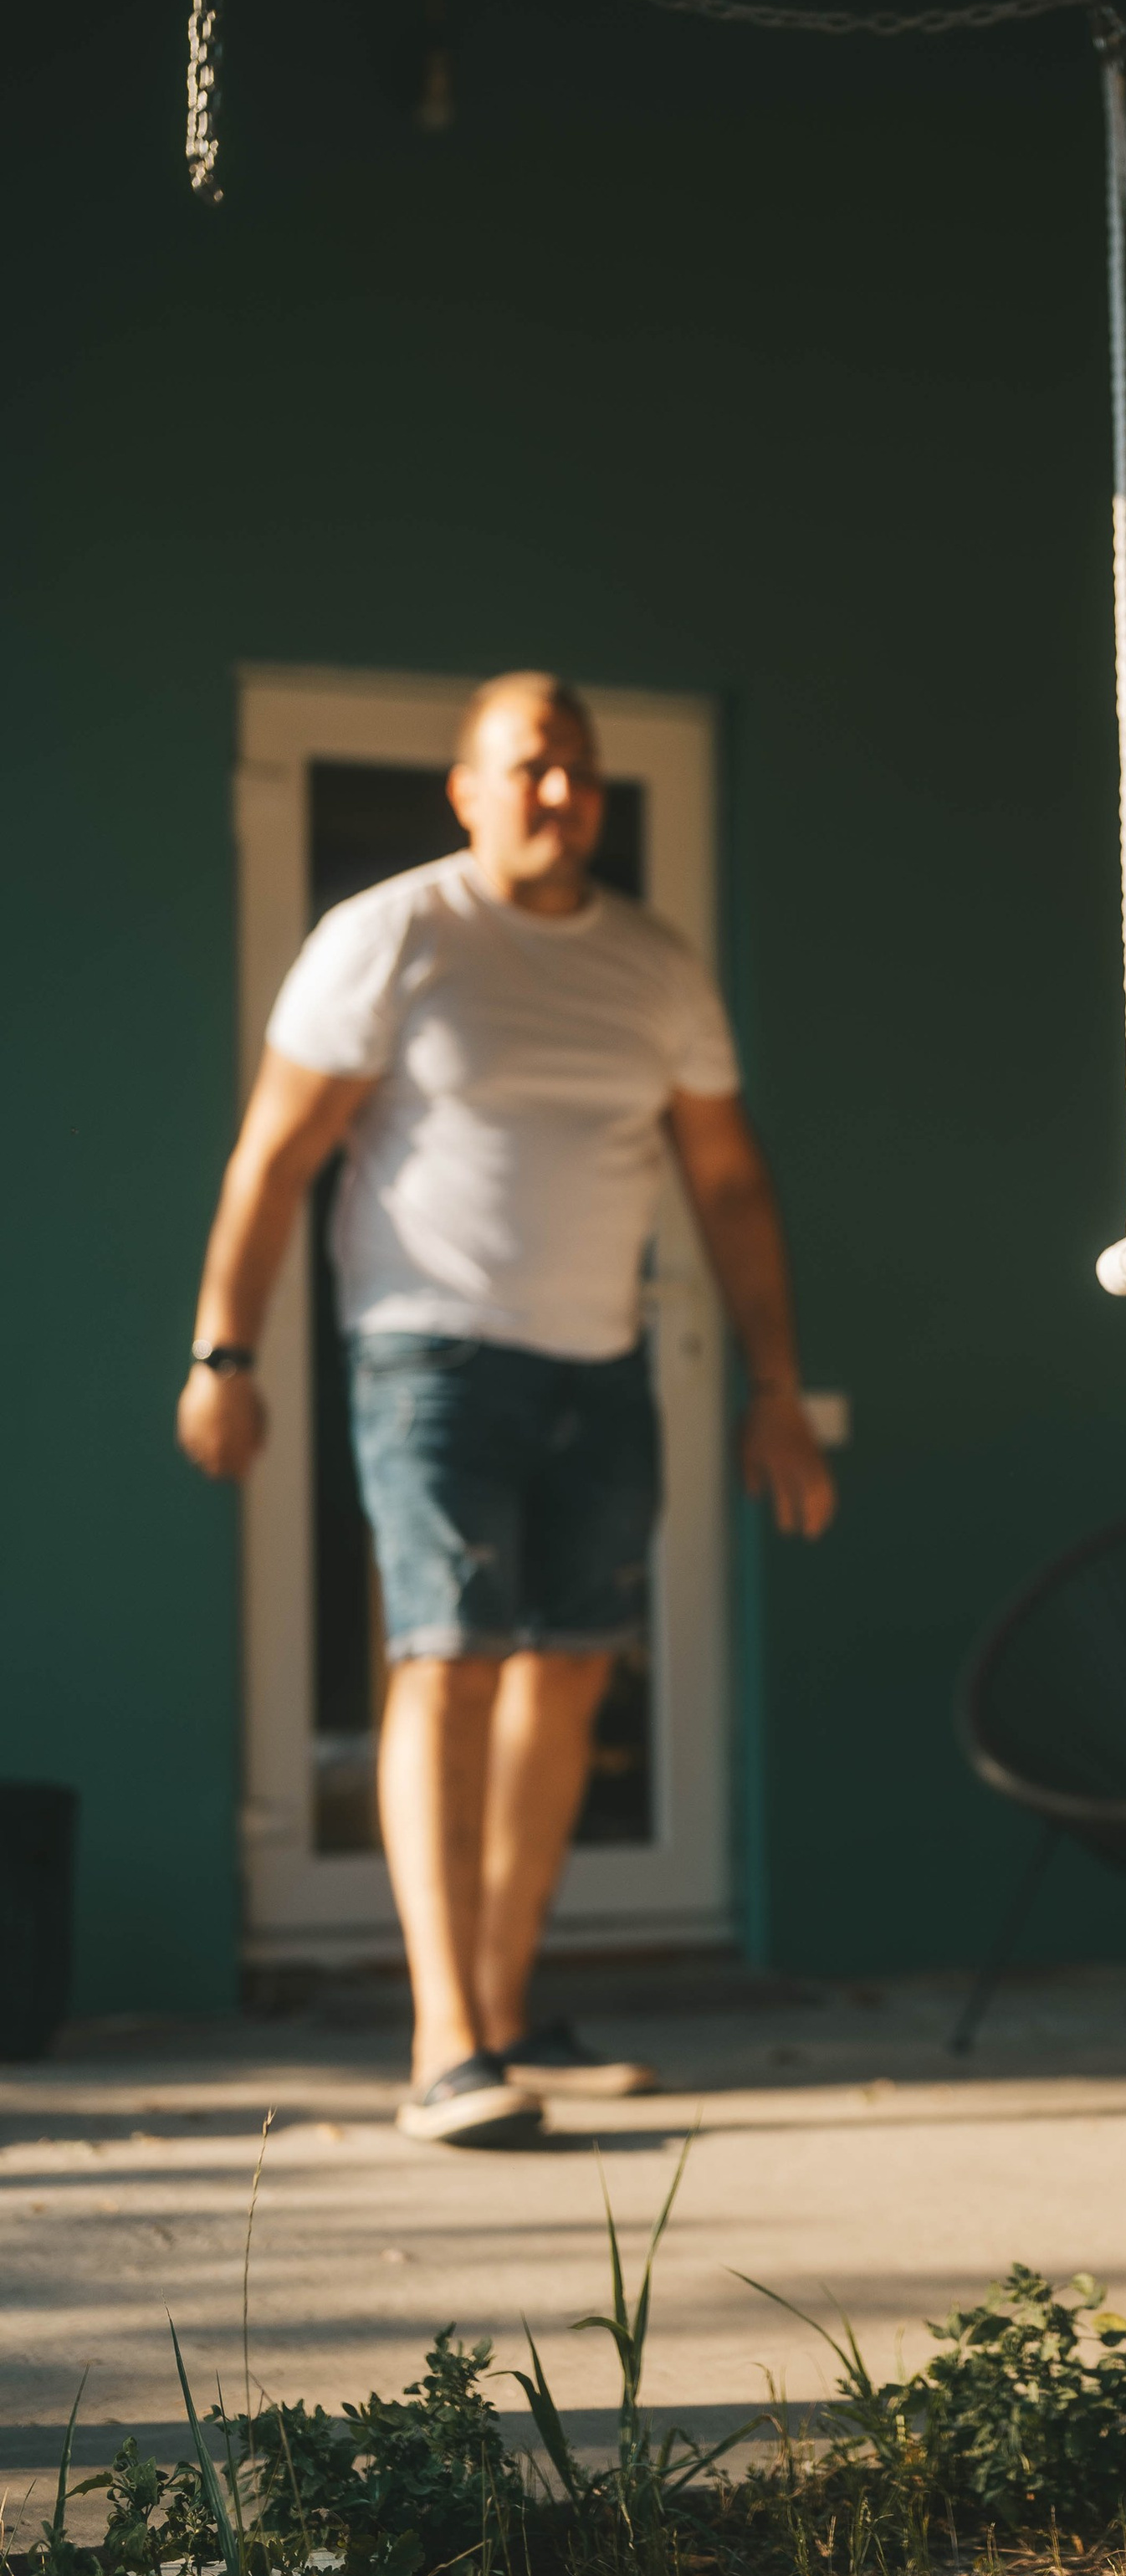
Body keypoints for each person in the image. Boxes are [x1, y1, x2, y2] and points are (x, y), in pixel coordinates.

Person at [178, 673, 834, 2149]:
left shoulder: (653, 965)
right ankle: (443, 2045)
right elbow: (275, 1156)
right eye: (532, 767)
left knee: (573, 1673)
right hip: (429, 1361)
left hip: (602, 1365)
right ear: (466, 789)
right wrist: (226, 1353)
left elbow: (726, 1182)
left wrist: (776, 1388)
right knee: (451, 1659)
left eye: (582, 773)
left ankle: (509, 2009)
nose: (561, 794)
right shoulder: (393, 936)